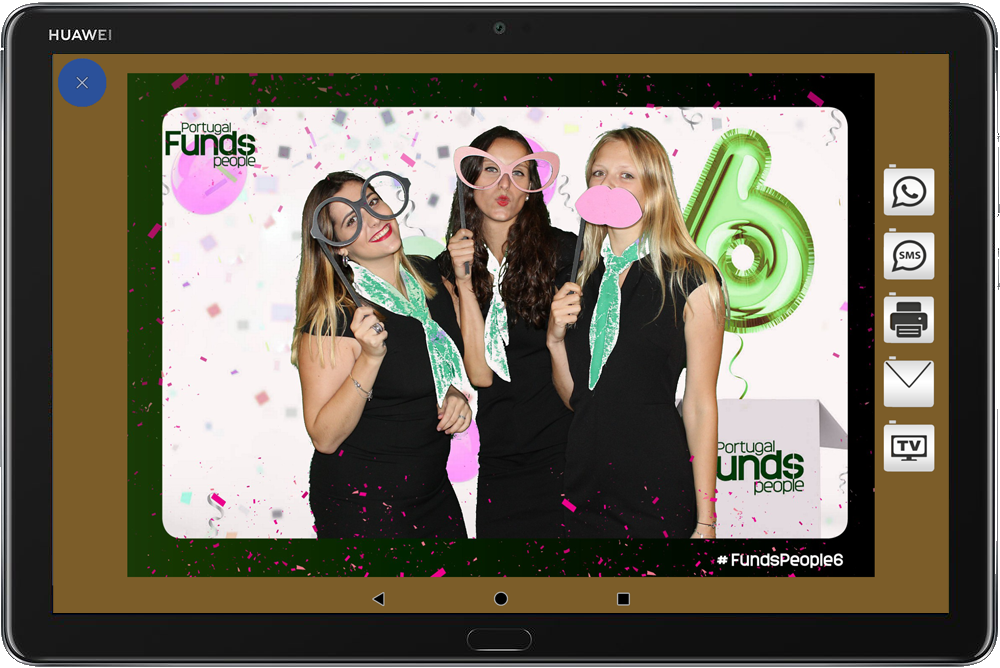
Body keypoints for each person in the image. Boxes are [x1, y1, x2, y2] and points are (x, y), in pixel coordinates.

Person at [547, 127, 727, 540]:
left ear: (655, 186)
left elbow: (700, 405)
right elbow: (577, 400)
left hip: (656, 494)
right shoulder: (579, 279)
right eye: (599, 173)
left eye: (626, 174)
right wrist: (554, 340)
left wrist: (706, 520)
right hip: (582, 493)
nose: (608, 184)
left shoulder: (691, 278)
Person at [292, 171, 475, 539]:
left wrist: (453, 392)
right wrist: (370, 359)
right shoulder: (334, 315)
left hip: (432, 490)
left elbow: (439, 360)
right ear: (338, 247)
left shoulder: (428, 275)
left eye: (372, 201)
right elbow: (324, 437)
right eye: (352, 220)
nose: (374, 218)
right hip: (363, 503)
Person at [438, 127, 577, 538]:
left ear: (532, 187)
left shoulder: (566, 253)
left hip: (567, 453)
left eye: (518, 173)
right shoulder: (445, 269)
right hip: (501, 461)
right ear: (469, 181)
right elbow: (479, 375)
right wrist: (464, 281)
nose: (504, 185)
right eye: (490, 170)